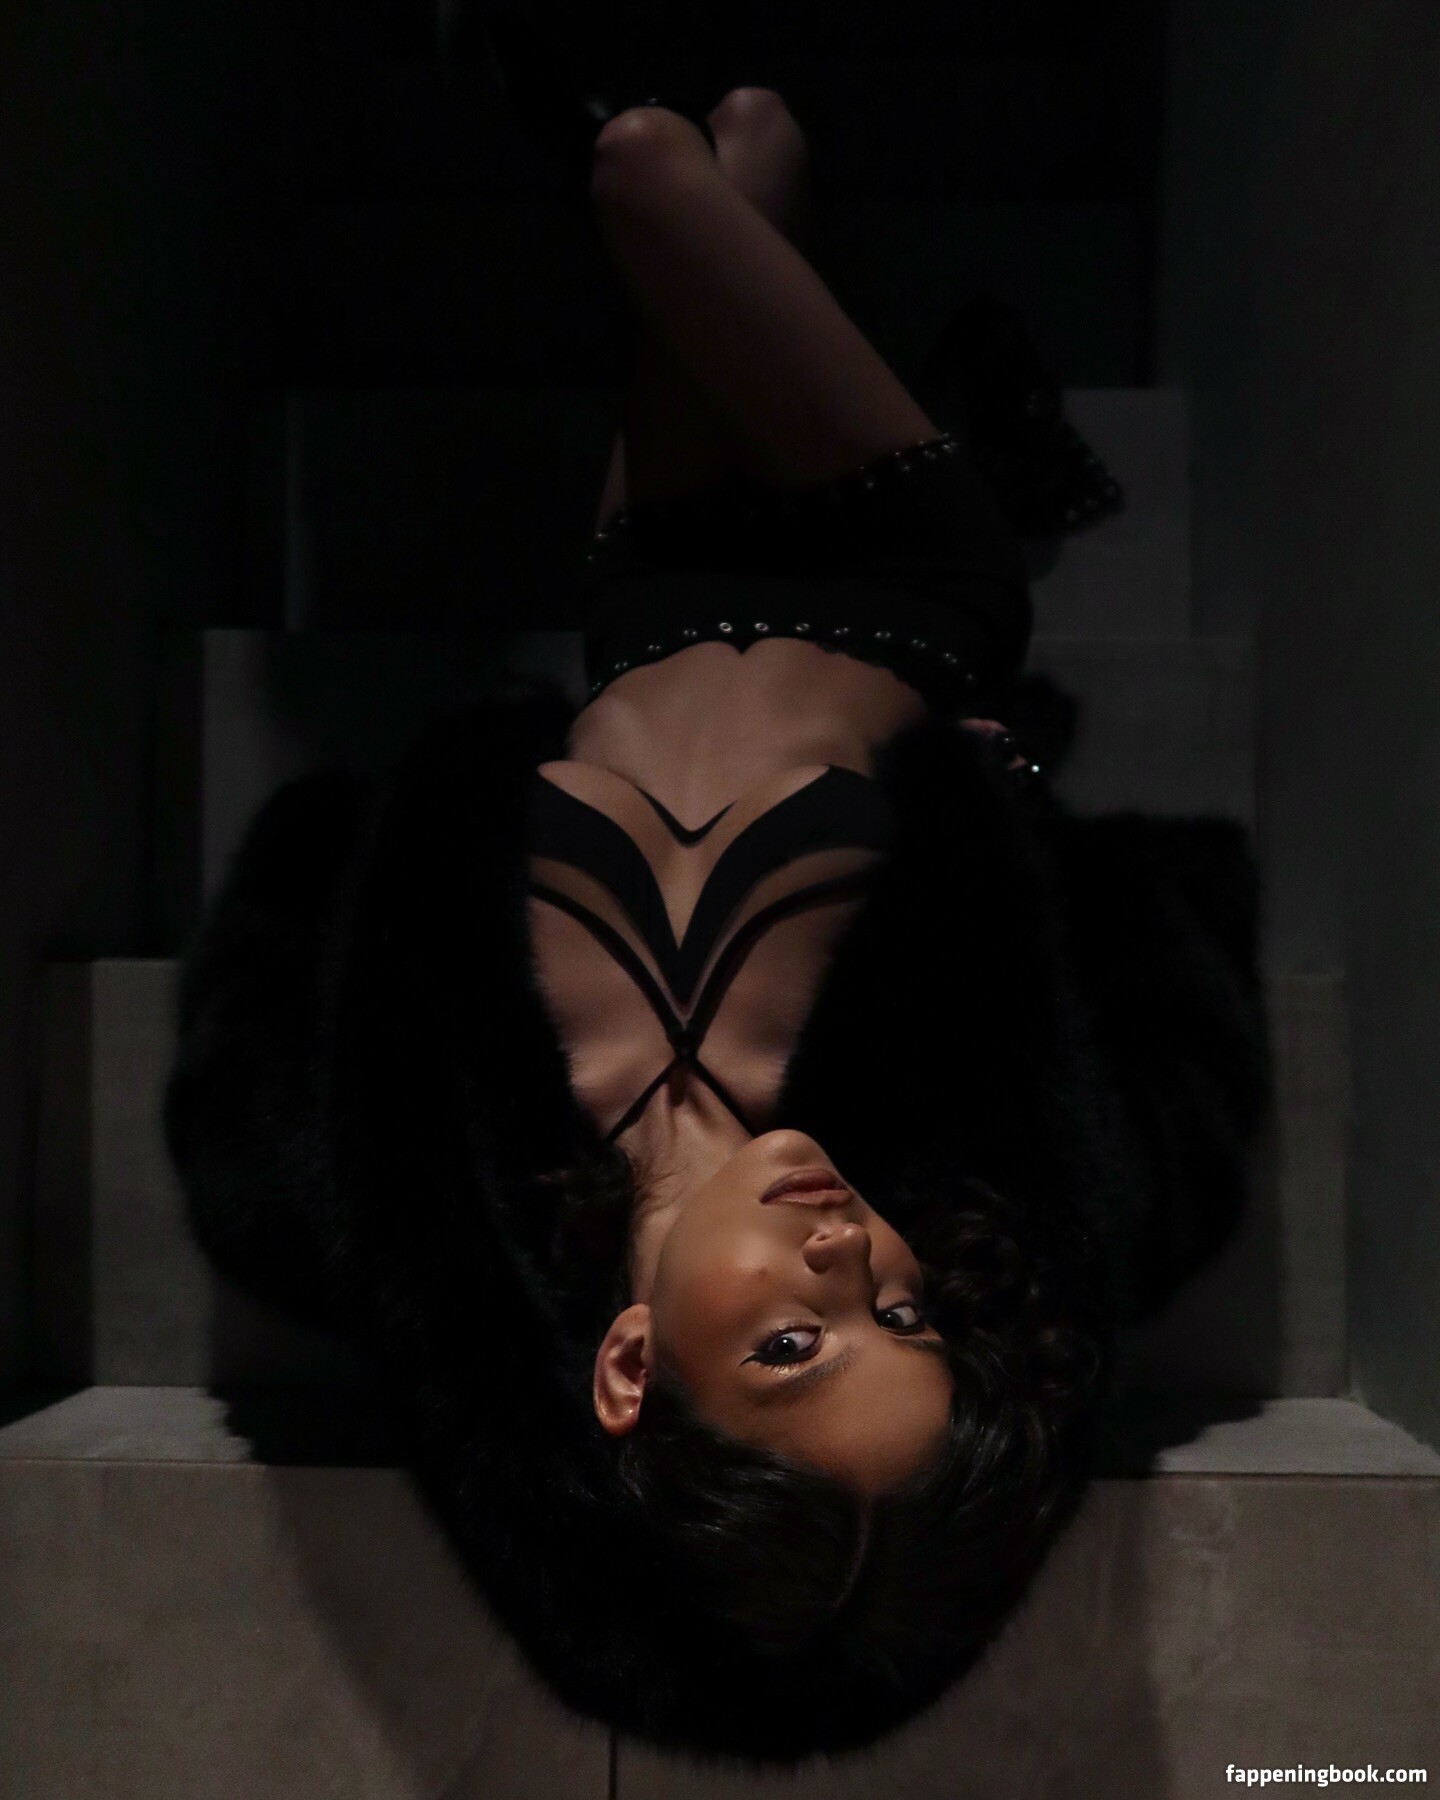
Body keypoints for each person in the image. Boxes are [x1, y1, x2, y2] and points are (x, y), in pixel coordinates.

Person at [164, 83, 1271, 1758]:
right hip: (910, 581)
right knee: (669, 162)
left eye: (796, 1338)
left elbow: (265, 1085)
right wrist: (1008, 800)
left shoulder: (452, 1152)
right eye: (904, 1314)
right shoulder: (933, 1100)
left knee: (714, 153)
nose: (854, 1256)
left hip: (652, 589)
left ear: (626, 1369)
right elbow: (1156, 1096)